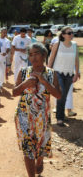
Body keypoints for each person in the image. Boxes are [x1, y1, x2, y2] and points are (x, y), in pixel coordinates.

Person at [13, 42, 61, 177]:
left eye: (36, 54)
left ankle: (39, 161)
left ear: (44, 55)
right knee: (28, 150)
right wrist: (25, 84)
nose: (33, 58)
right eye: (30, 55)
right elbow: (14, 92)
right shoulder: (23, 72)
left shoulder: (52, 74)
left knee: (40, 148)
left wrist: (44, 81)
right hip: (23, 116)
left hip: (42, 118)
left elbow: (58, 95)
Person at [48, 26, 80, 126]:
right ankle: (59, 118)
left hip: (69, 74)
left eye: (72, 32)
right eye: (69, 33)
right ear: (63, 35)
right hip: (58, 73)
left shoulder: (74, 45)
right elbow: (51, 58)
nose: (71, 34)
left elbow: (77, 60)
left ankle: (61, 114)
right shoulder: (57, 44)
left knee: (64, 96)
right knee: (60, 94)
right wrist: (48, 72)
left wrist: (77, 72)